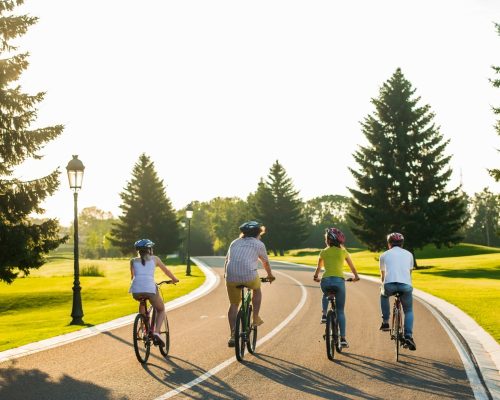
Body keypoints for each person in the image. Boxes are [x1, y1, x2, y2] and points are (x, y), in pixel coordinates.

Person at [224, 221, 275, 347]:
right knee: (257, 289)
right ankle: (255, 317)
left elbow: (227, 260)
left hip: (231, 276)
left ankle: (232, 335)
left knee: (234, 305)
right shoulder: (259, 244)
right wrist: (270, 275)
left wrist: (227, 275)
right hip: (249, 276)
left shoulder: (234, 242)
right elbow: (265, 262)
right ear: (258, 233)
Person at [313, 227, 359, 348]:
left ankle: (324, 314)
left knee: (325, 293)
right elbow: (352, 267)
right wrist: (356, 277)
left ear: (328, 240)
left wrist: (316, 276)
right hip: (339, 282)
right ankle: (343, 339)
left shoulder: (323, 252)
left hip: (326, 280)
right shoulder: (343, 252)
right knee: (340, 311)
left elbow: (319, 268)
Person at [129, 239, 179, 346]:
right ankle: (156, 332)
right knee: (161, 309)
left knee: (142, 301)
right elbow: (166, 271)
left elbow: (132, 277)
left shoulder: (133, 261)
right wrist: (174, 279)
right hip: (150, 289)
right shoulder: (155, 259)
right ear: (149, 250)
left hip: (136, 290)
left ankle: (143, 325)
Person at [379, 232, 416, 351]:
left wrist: (384, 286)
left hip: (389, 285)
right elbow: (409, 273)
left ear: (389, 243)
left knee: (383, 295)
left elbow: (383, 277)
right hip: (405, 285)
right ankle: (408, 336)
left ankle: (385, 321)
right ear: (402, 243)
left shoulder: (384, 255)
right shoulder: (409, 254)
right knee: (408, 310)